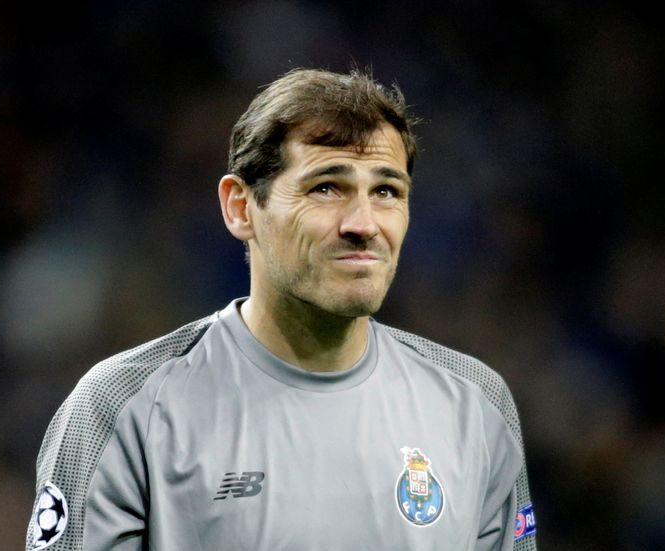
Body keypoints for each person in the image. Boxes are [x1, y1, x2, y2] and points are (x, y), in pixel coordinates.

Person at [26, 68, 537, 551]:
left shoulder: (477, 407)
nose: (363, 223)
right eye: (326, 188)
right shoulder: (122, 408)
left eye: (386, 190)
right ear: (241, 207)